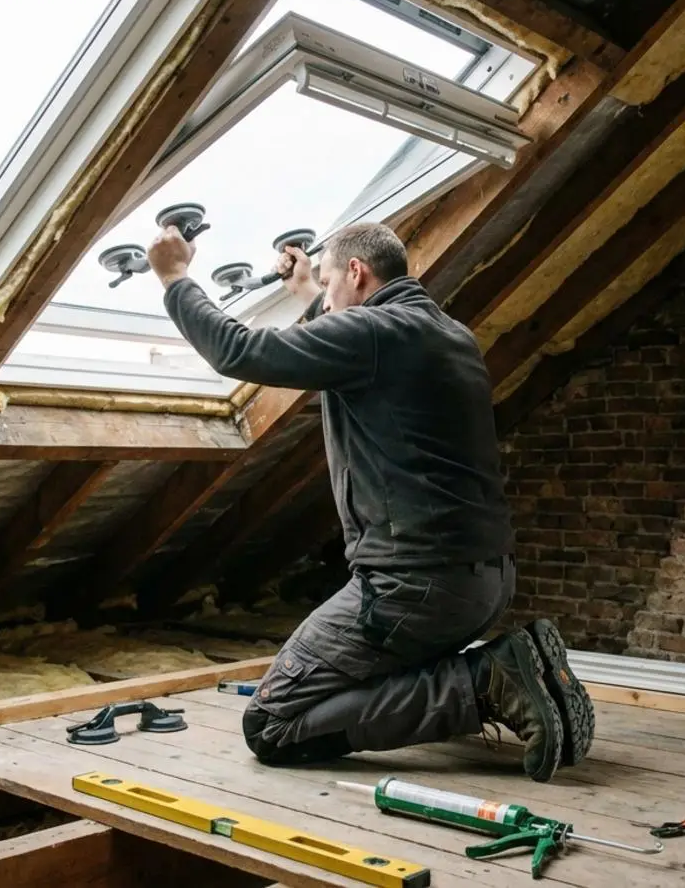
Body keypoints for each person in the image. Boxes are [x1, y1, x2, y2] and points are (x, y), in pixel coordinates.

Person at [146, 220, 594, 782]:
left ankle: (486, 682)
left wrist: (175, 278)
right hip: (484, 581)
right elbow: (349, 340)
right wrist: (308, 289)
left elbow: (239, 351)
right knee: (344, 686)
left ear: (357, 273)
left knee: (272, 723)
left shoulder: (375, 335)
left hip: (414, 586)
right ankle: (496, 676)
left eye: (332, 283)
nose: (327, 301)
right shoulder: (444, 332)